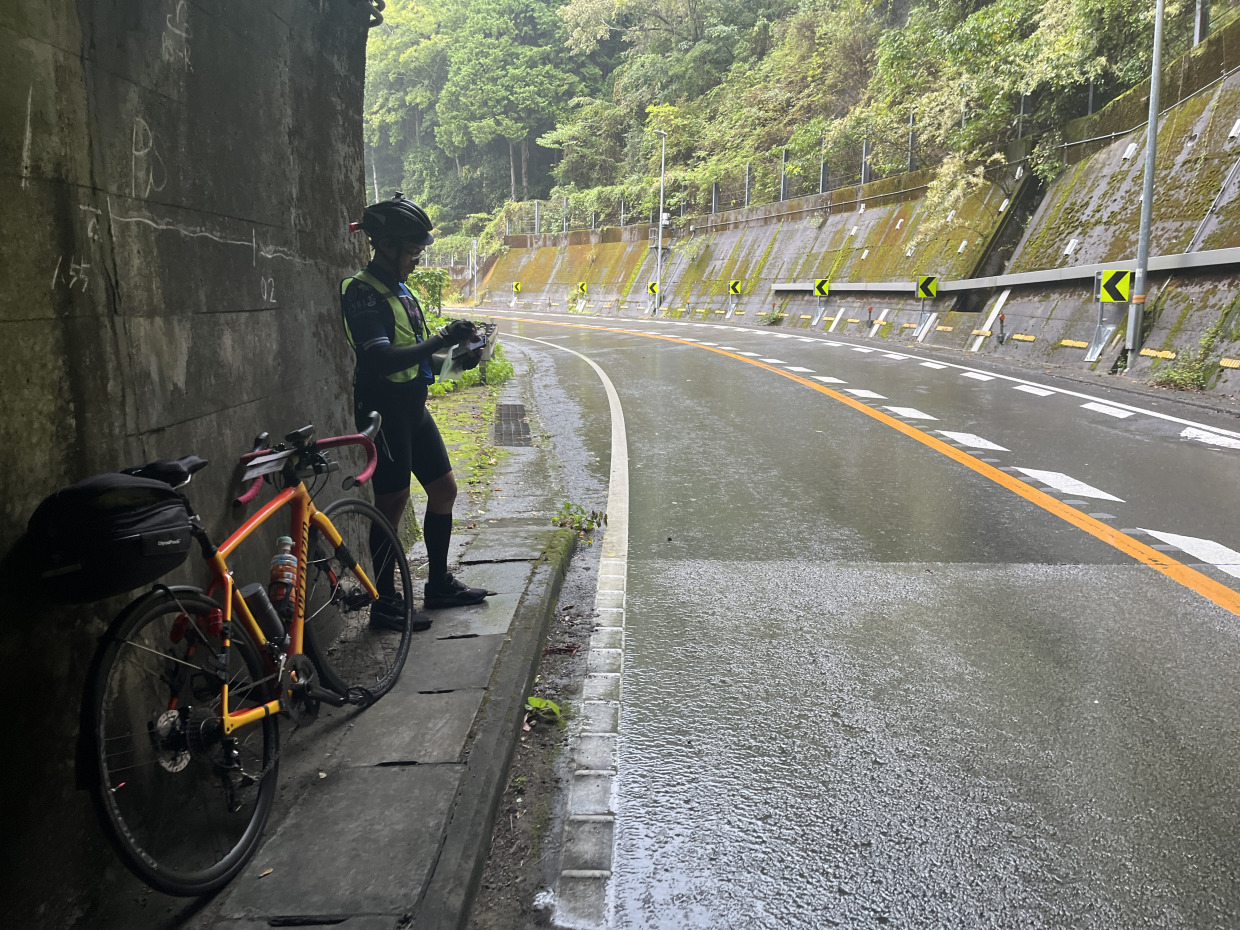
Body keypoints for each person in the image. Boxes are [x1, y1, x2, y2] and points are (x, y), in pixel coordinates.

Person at [341, 192, 487, 630]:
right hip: (381, 412)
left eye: (418, 251)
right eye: (410, 251)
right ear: (383, 245)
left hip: (412, 407)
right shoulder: (361, 293)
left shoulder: (400, 290)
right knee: (391, 502)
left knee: (444, 490)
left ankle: (438, 584)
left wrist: (460, 357)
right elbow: (383, 359)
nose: (415, 259)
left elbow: (416, 358)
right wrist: (442, 336)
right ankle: (384, 604)